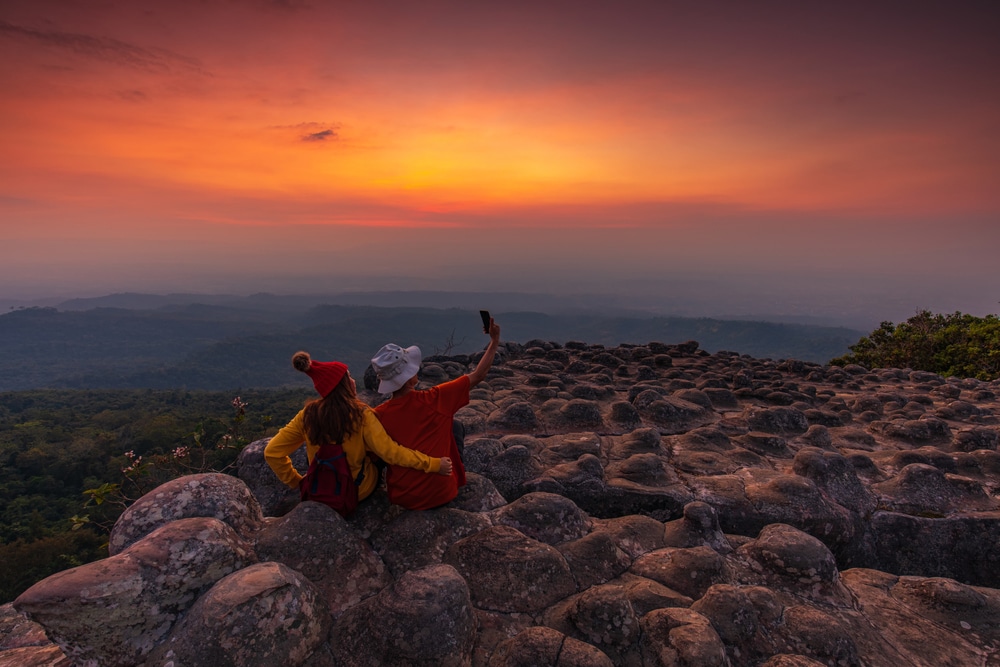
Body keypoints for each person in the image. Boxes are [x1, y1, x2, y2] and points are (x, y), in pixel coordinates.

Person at [264, 351, 452, 503]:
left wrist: (299, 482)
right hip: (356, 491)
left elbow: (272, 452)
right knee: (377, 452)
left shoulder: (307, 415)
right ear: (344, 385)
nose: (353, 380)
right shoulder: (361, 414)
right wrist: (434, 464)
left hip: (318, 490)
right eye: (349, 377)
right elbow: (390, 453)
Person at [370, 317, 501, 510]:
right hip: (441, 494)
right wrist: (494, 341)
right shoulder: (435, 399)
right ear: (409, 380)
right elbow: (479, 374)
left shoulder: (377, 415)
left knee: (380, 445)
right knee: (454, 425)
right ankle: (457, 471)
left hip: (402, 497)